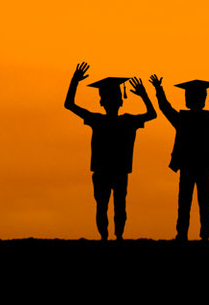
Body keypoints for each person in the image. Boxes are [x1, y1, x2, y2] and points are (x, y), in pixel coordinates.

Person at [64, 62, 156, 240]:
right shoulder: (127, 121)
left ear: (101, 102)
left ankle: (106, 237)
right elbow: (152, 114)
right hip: (116, 170)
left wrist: (74, 81)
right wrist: (144, 95)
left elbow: (69, 104)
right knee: (117, 205)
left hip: (105, 170)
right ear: (121, 101)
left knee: (103, 205)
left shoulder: (97, 120)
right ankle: (116, 236)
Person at [149, 74, 209, 241]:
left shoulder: (181, 120)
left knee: (185, 202)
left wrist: (159, 89)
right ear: (203, 100)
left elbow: (165, 107)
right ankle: (204, 232)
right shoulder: (208, 120)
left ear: (187, 100)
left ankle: (183, 233)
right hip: (201, 166)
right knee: (203, 202)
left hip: (188, 166)